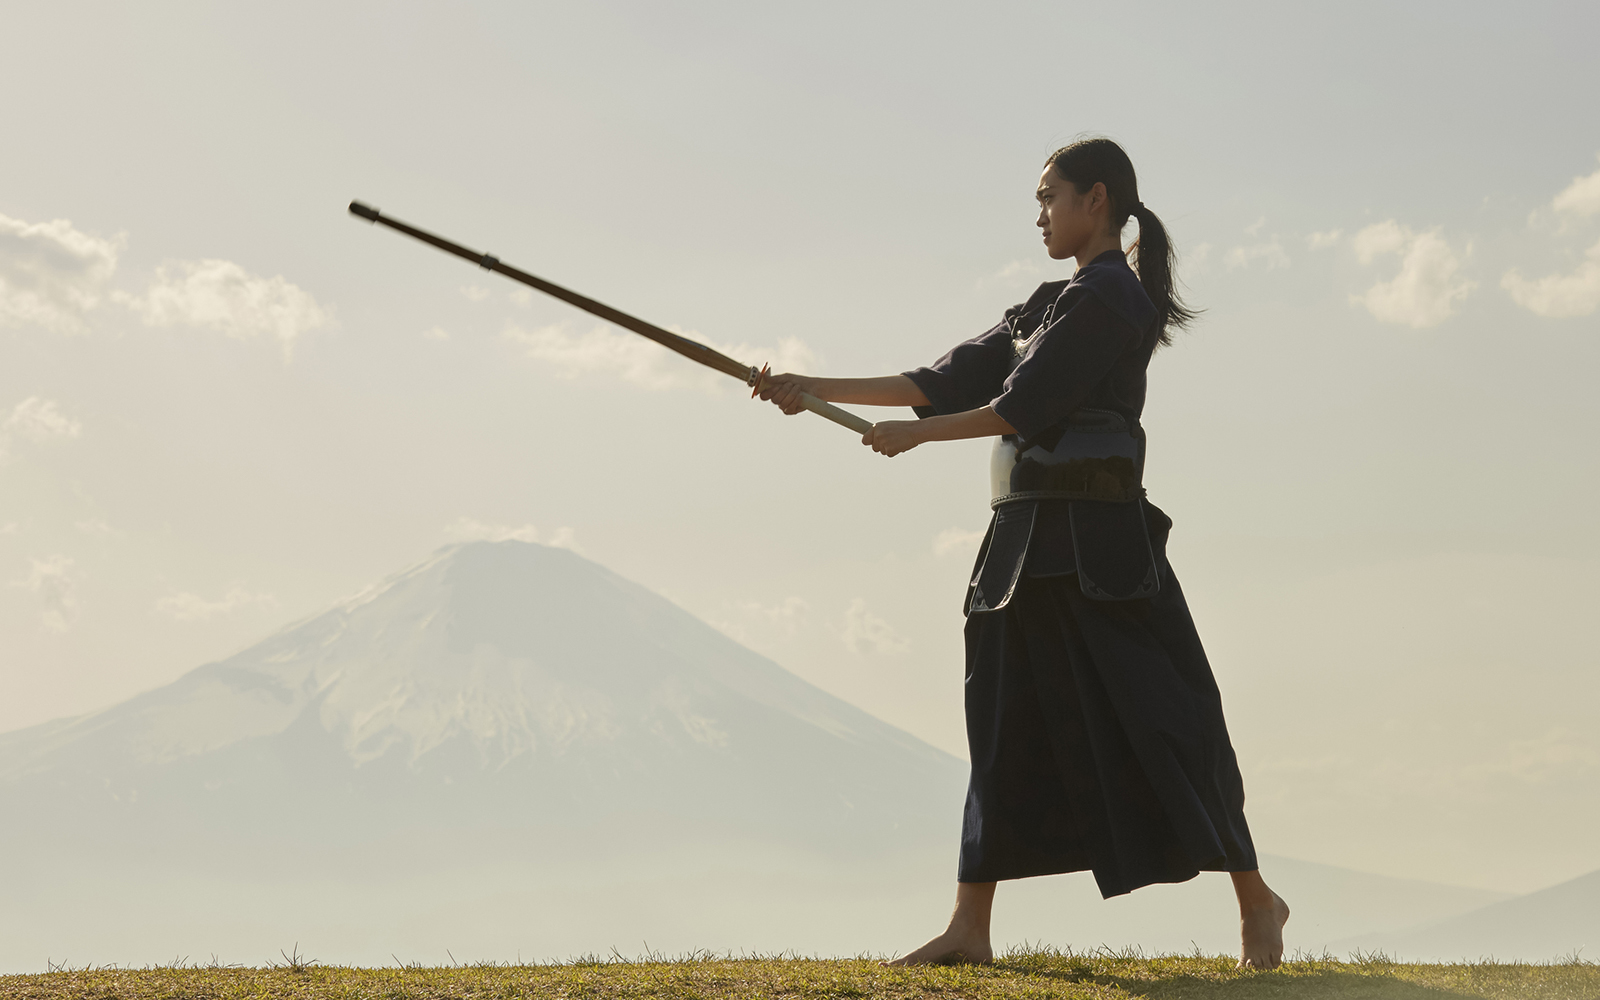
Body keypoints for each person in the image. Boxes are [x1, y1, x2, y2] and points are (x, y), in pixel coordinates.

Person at [758, 137, 1290, 969]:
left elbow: (1023, 406)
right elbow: (941, 378)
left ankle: (1258, 900)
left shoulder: (1111, 297)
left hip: (1104, 548)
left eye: (1050, 197)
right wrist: (813, 388)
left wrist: (917, 439)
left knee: (1170, 720)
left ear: (1098, 200)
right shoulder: (1048, 303)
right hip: (1018, 549)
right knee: (998, 725)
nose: (1040, 213)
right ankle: (971, 928)